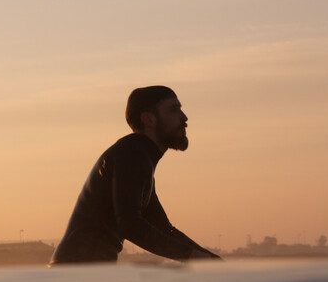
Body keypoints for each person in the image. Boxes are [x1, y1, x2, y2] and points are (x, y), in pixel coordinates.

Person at [50, 86, 221, 264]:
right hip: (78, 272)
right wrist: (193, 256)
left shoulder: (138, 156)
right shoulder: (133, 155)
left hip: (82, 271)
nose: (184, 117)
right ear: (148, 119)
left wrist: (212, 260)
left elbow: (163, 229)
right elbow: (130, 225)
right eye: (174, 109)